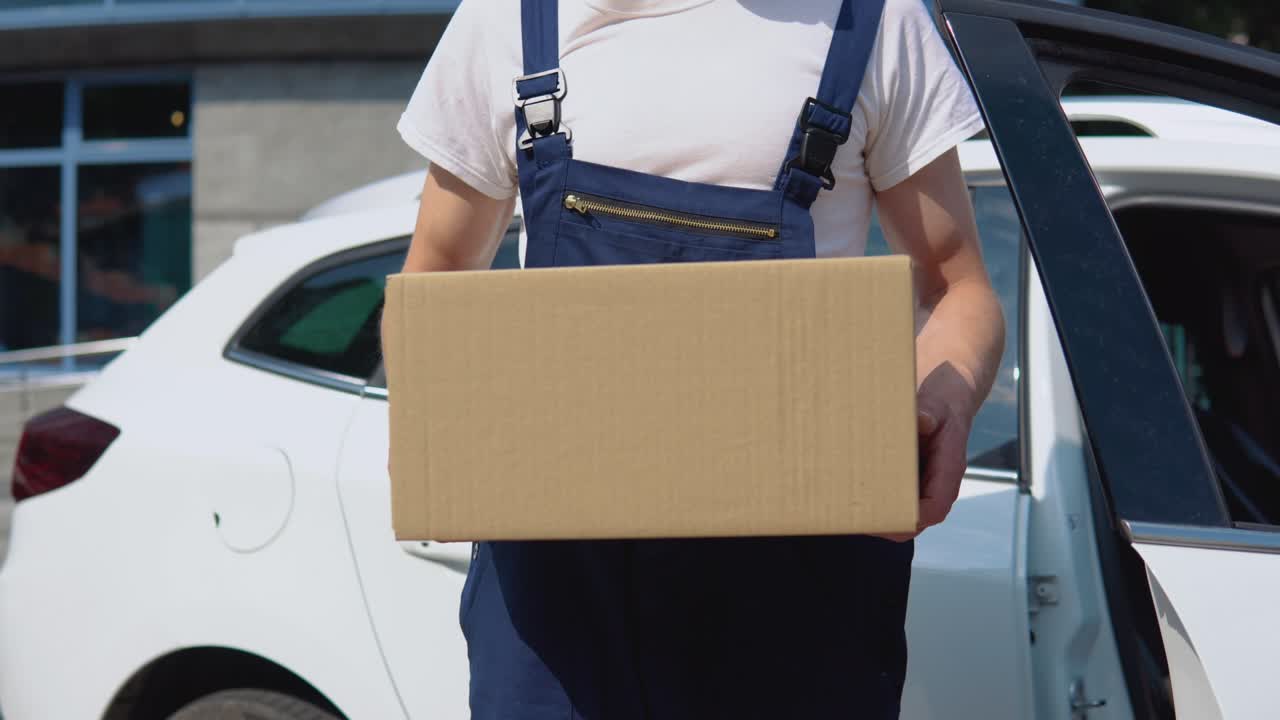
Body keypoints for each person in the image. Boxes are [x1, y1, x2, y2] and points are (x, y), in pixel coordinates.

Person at [386, 0, 1005, 717]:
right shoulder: (511, 18)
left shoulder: (873, 20)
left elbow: (958, 287)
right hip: (553, 614)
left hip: (798, 605)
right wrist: (435, 425)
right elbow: (435, 275)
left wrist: (941, 405)